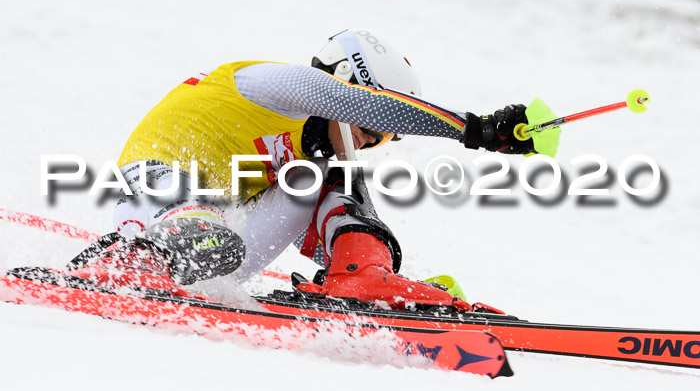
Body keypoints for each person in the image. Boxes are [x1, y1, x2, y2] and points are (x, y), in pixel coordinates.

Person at [67, 29, 536, 308]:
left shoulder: (307, 159)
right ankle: (124, 264)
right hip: (154, 195)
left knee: (324, 183)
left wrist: (376, 266)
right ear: (351, 85)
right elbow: (343, 100)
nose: (376, 139)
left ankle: (361, 280)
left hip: (217, 257)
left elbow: (309, 232)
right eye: (378, 123)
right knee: (208, 238)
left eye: (389, 136)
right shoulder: (277, 85)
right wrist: (473, 129)